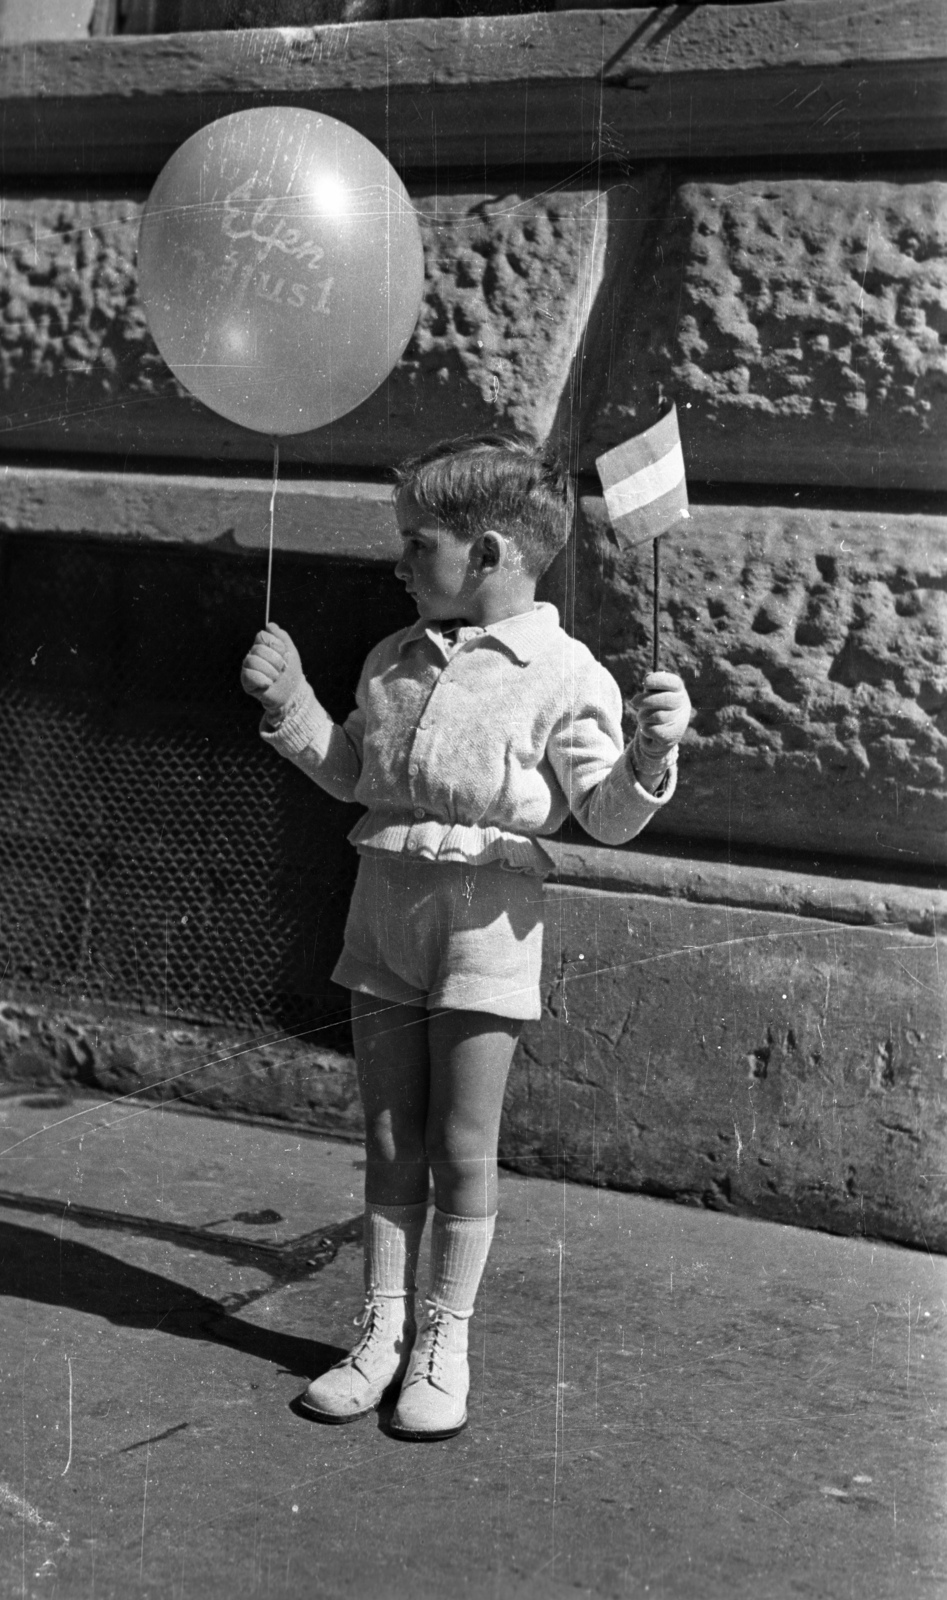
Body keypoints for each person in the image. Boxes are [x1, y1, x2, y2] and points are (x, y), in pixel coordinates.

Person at [241, 438, 691, 1442]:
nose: (400, 562)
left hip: (487, 925)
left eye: (417, 542)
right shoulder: (391, 659)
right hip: (385, 908)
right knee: (390, 1134)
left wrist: (651, 752)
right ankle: (380, 1332)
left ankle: (446, 1338)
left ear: (487, 552)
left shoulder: (563, 673)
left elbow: (602, 814)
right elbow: (355, 772)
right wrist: (293, 702)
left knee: (462, 1142)